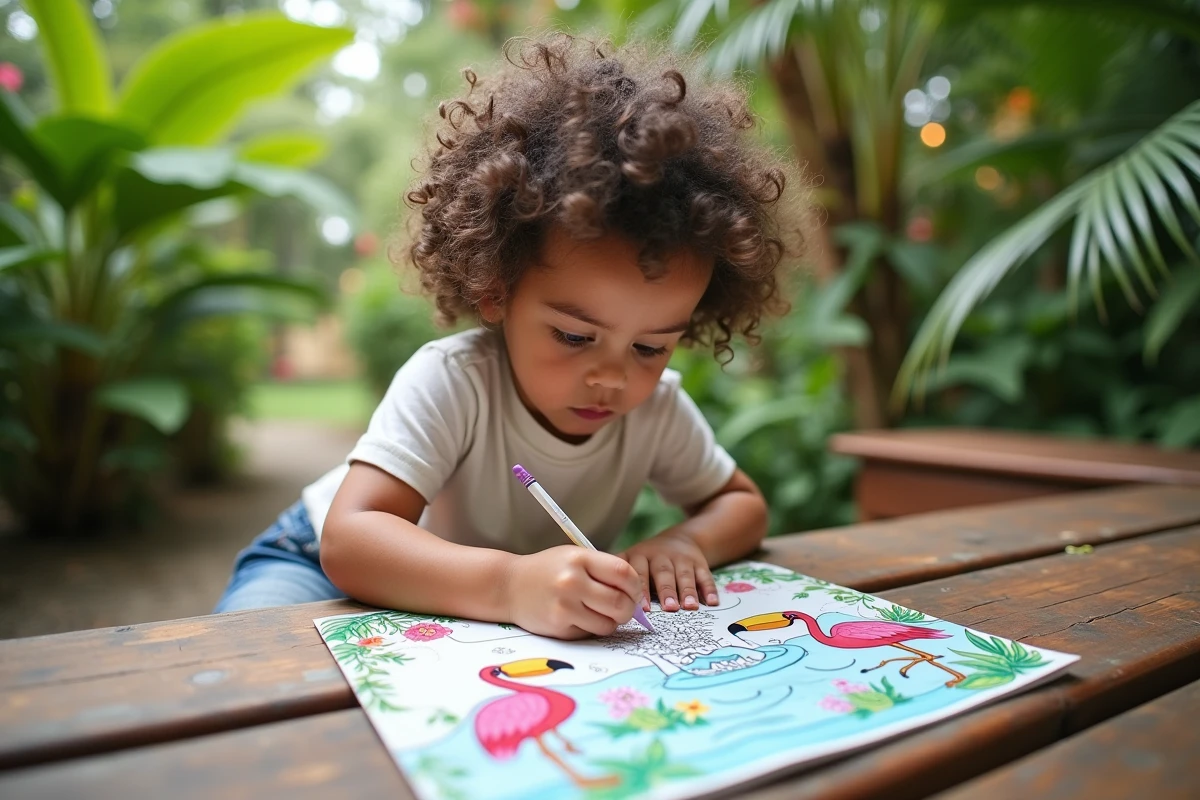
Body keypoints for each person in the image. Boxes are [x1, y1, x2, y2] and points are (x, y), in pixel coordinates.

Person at [214, 33, 807, 640]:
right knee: (242, 671)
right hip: (317, 565)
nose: (612, 375)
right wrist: (509, 585)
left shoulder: (655, 410)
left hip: (464, 612)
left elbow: (741, 506)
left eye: (650, 347)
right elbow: (351, 538)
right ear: (497, 288)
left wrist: (686, 541)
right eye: (576, 337)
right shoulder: (454, 380)